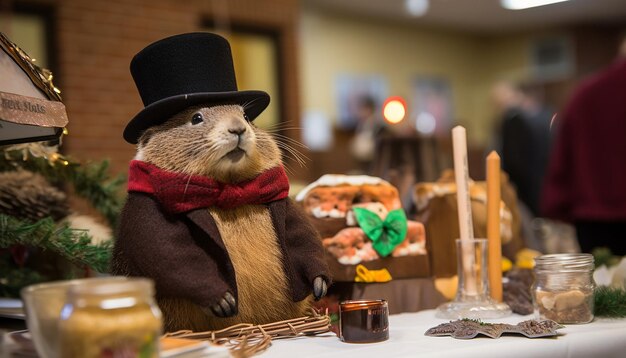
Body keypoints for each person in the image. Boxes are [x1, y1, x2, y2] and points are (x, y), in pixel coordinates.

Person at [542, 34, 626, 255]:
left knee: (601, 287)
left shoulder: (584, 94)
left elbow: (561, 162)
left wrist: (558, 209)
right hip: (594, 215)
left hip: (594, 223)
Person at [493, 81, 553, 217]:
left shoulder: (513, 120)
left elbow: (515, 159)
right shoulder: (532, 117)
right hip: (536, 179)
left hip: (523, 185)